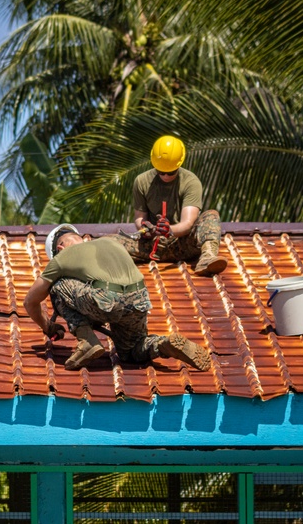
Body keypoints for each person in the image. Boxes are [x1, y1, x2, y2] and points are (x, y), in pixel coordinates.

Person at [24, 224, 212, 371]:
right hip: (139, 299)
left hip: (106, 299)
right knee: (131, 352)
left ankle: (87, 341)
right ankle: (163, 344)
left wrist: (48, 327)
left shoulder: (62, 257)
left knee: (56, 286)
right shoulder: (111, 242)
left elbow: (30, 301)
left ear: (60, 247)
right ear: (84, 238)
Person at [109, 135, 227, 277]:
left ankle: (207, 258)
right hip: (151, 245)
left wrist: (169, 230)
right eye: (161, 171)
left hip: (182, 244)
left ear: (179, 164)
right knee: (107, 244)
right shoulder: (141, 181)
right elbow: (139, 218)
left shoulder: (190, 182)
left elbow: (188, 223)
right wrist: (145, 227)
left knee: (211, 215)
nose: (165, 176)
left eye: (170, 172)